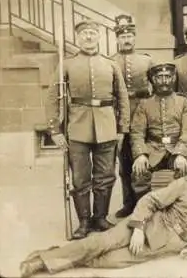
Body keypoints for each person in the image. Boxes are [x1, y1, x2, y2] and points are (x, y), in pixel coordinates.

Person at [19, 159, 187, 278]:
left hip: (169, 243)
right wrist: (138, 227)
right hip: (149, 223)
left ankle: (56, 255)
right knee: (100, 242)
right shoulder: (185, 185)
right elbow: (150, 200)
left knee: (109, 260)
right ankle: (41, 262)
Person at [45, 20, 130, 239]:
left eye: (93, 33)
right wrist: (55, 130)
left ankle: (100, 218)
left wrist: (122, 129)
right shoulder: (67, 65)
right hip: (77, 127)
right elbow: (53, 98)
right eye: (85, 34)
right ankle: (83, 221)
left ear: (99, 37)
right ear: (78, 37)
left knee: (105, 175)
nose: (89, 37)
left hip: (107, 126)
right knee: (80, 178)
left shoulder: (110, 64)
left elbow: (122, 98)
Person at [130, 63, 187, 201]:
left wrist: (181, 154)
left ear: (173, 79)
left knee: (185, 172)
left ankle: (180, 213)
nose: (164, 81)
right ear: (153, 79)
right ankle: (144, 212)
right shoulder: (144, 103)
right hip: (153, 148)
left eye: (168, 77)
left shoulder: (184, 101)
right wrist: (141, 154)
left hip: (176, 147)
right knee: (139, 173)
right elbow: (137, 133)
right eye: (160, 77)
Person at [110, 14, 154, 218]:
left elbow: (157, 88)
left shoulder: (146, 60)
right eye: (122, 36)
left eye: (129, 36)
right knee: (125, 163)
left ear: (134, 38)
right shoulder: (110, 62)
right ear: (117, 39)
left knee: (144, 157)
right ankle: (128, 203)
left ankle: (144, 203)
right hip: (120, 116)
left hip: (143, 112)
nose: (126, 40)